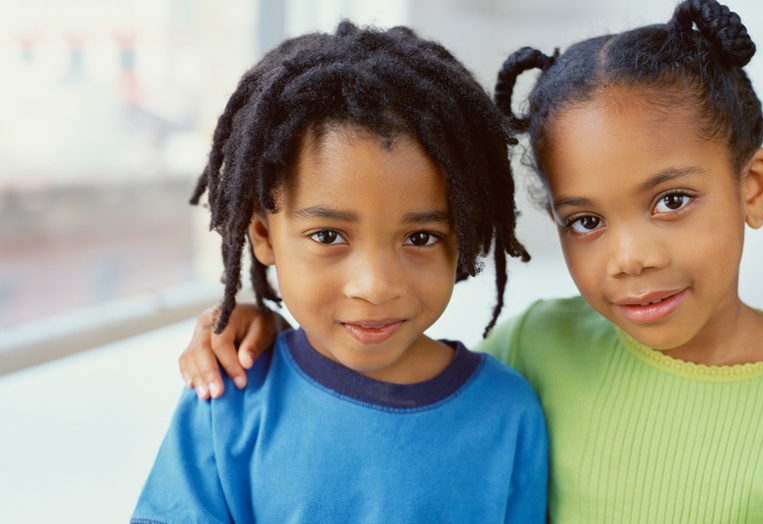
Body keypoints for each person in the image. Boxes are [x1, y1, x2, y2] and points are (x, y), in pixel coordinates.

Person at [178, 1, 763, 521]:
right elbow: (394, 381)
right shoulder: (541, 345)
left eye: (673, 200)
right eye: (587, 221)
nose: (630, 257)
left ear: (752, 187)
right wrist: (258, 321)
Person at [132, 21, 548, 523]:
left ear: (464, 235)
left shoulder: (509, 414)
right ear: (263, 236)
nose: (374, 287)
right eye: (328, 236)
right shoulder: (228, 400)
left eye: (420, 238)